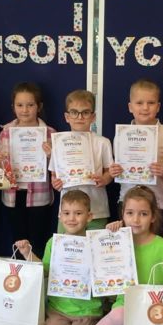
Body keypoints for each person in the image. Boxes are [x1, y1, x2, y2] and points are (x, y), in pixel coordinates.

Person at [79, 185, 163, 325]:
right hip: (123, 309)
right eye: (130, 213)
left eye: (143, 214)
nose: (135, 219)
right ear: (123, 215)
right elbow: (101, 270)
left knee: (118, 315)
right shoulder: (118, 241)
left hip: (154, 310)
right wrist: (107, 236)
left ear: (153, 217)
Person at [15, 190, 102, 325]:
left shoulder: (96, 243)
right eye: (66, 213)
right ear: (60, 216)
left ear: (89, 216)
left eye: (78, 213)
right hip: (58, 309)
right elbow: (45, 270)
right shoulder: (54, 243)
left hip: (87, 310)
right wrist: (27, 253)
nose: (72, 218)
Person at [0, 82, 56, 261]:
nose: (25, 110)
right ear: (13, 107)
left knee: (38, 241)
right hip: (14, 196)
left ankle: (39, 275)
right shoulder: (6, 132)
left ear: (39, 106)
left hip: (39, 196)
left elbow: (58, 166)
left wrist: (51, 155)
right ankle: (20, 275)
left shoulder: (50, 134)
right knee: (18, 241)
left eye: (30, 105)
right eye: (20, 105)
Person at [109, 79, 163, 238]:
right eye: (139, 103)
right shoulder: (121, 135)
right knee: (130, 247)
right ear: (130, 107)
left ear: (158, 107)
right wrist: (114, 171)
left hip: (158, 203)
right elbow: (117, 168)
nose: (145, 108)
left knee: (156, 246)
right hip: (128, 203)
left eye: (151, 103)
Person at [49, 89, 114, 231]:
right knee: (67, 245)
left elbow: (110, 171)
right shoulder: (59, 143)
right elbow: (54, 174)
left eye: (85, 112)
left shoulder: (103, 142)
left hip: (96, 210)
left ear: (93, 116)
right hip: (68, 213)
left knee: (95, 245)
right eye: (74, 112)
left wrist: (104, 179)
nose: (80, 117)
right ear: (67, 117)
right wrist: (55, 182)